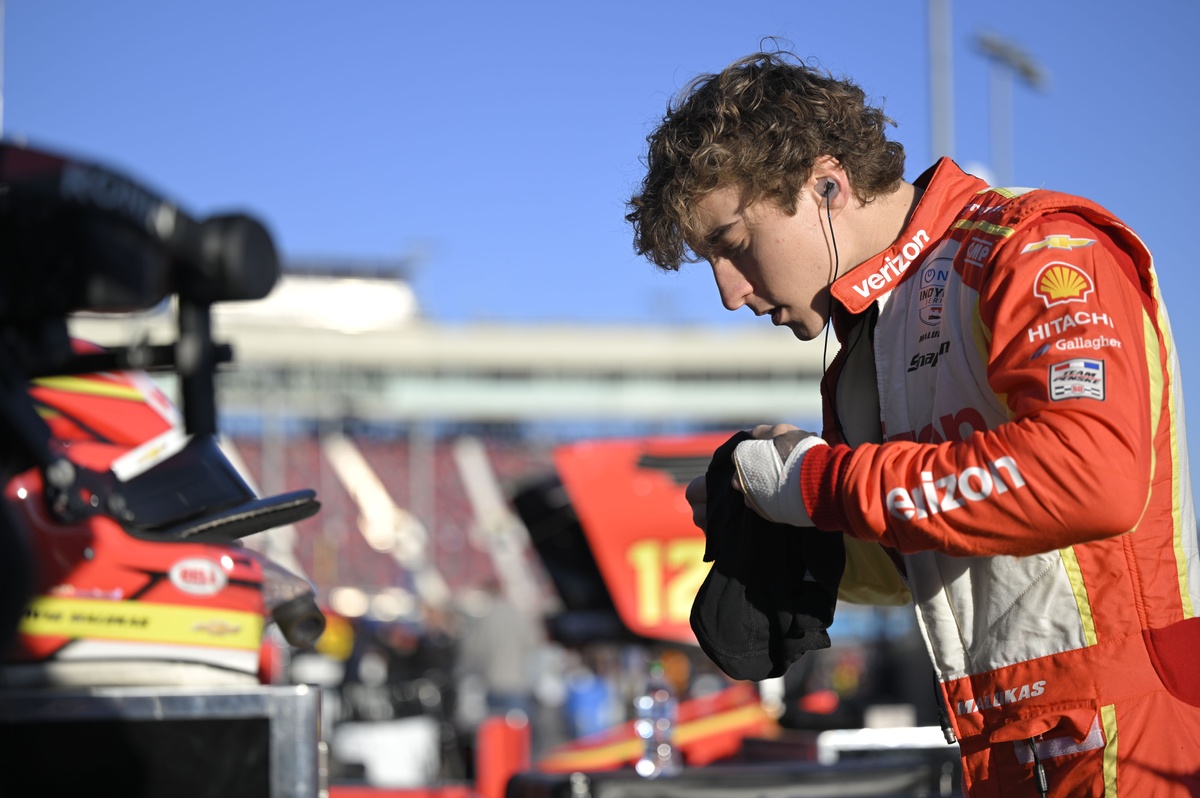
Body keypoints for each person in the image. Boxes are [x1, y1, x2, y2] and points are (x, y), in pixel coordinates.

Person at [626, 50, 1200, 796]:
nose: (730, 294)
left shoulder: (1034, 245)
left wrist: (816, 483)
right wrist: (787, 536)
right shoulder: (868, 342)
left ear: (826, 184)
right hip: (999, 745)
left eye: (734, 246)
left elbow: (1094, 478)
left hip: (1130, 742)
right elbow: (926, 555)